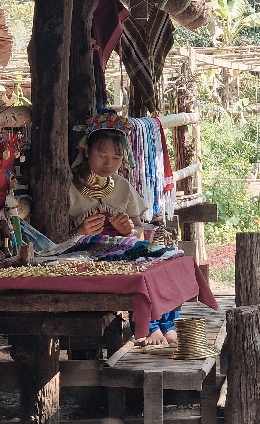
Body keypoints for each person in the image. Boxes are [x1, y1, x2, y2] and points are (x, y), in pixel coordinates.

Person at [69, 113, 178, 346]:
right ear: (86, 151)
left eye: (116, 158)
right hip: (87, 255)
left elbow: (139, 230)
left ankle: (167, 324)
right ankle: (148, 327)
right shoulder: (67, 187)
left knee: (165, 261)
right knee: (139, 270)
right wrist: (80, 232)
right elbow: (53, 240)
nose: (109, 164)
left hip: (123, 249)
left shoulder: (122, 186)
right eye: (102, 156)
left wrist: (128, 230)